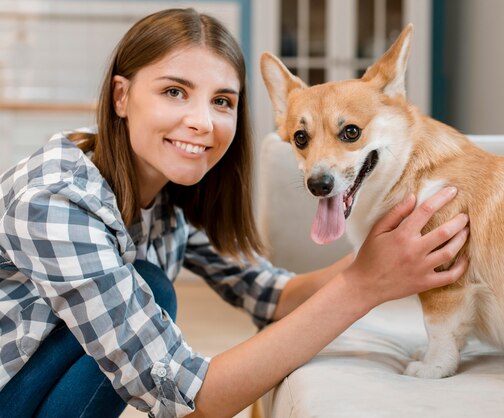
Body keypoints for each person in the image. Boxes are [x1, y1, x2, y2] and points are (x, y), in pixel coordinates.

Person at [0, 8, 469, 418]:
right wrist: (364, 286)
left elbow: (267, 293)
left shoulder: (165, 190)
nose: (203, 122)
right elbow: (189, 396)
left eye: (222, 101)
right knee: (152, 287)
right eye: (174, 92)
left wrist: (379, 257)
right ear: (121, 96)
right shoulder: (54, 200)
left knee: (147, 287)